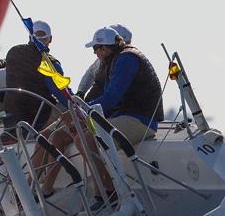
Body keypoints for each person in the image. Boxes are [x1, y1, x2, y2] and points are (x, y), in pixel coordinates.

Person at [38, 27, 164, 201]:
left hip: (140, 120)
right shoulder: (110, 62)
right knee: (57, 135)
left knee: (86, 138)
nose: (95, 54)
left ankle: (106, 192)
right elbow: (101, 95)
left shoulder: (127, 59)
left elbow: (112, 96)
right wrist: (76, 111)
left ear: (104, 48)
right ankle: (43, 191)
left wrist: (79, 112)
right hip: (116, 117)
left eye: (95, 49)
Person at [2, 20, 70, 141]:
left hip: (12, 116)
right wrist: (80, 107)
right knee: (69, 111)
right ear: (50, 39)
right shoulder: (49, 63)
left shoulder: (13, 52)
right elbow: (61, 93)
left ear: (29, 37)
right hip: (37, 118)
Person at [76, 24, 133, 98]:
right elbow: (90, 73)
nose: (95, 52)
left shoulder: (126, 62)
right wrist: (81, 92)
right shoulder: (103, 60)